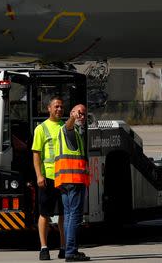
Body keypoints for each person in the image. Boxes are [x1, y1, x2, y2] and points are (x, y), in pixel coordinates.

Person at [54, 104, 90, 262]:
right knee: (74, 217)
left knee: (69, 216)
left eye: (84, 114)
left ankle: (70, 250)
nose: (82, 116)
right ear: (71, 114)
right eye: (79, 113)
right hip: (73, 181)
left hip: (64, 181)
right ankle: (71, 251)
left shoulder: (76, 132)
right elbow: (68, 125)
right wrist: (73, 118)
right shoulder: (68, 129)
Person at [32, 96, 66, 260]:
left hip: (64, 177)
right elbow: (36, 154)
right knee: (44, 214)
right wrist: (39, 175)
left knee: (63, 215)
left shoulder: (65, 126)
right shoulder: (41, 129)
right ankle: (44, 247)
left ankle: (63, 247)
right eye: (56, 107)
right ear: (49, 108)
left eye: (61, 107)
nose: (59, 109)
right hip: (48, 177)